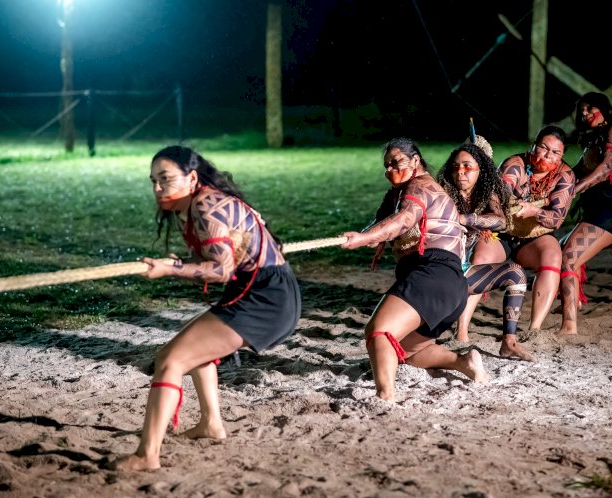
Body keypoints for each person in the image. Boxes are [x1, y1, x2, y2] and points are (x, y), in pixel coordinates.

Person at [111, 145, 301, 471]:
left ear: (192, 178)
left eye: (166, 179)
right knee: (195, 349)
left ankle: (147, 455)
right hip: (265, 290)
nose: (158, 188)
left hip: (264, 297)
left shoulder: (205, 208)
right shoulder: (205, 201)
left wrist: (171, 269)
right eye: (153, 180)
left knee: (170, 360)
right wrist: (180, 263)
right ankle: (211, 424)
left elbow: (221, 270)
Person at [340, 138, 531, 401]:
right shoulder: (399, 193)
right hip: (451, 288)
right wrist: (364, 236)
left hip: (433, 274)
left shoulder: (420, 186)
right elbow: (383, 227)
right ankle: (464, 362)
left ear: (416, 161)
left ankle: (385, 397)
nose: (389, 169)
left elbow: (405, 219)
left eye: (396, 162)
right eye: (386, 165)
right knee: (408, 352)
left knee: (379, 331)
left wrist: (361, 239)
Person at [558, 92, 612, 335]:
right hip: (601, 207)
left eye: (591, 109)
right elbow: (574, 172)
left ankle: (569, 325)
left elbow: (606, 169)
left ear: (605, 108)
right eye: (582, 111)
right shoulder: (595, 140)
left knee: (569, 256)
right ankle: (575, 304)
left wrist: (574, 191)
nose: (586, 114)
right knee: (560, 249)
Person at [497, 125, 576, 334]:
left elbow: (556, 220)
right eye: (543, 147)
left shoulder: (564, 175)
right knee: (480, 257)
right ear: (533, 146)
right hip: (502, 234)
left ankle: (534, 329)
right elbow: (500, 197)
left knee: (553, 255)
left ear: (562, 156)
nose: (548, 155)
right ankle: (462, 332)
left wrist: (534, 211)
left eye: (555, 152)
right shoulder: (516, 164)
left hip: (534, 237)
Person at [436, 136, 510, 342]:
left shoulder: (489, 191)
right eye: (456, 166)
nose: (460, 172)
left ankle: (462, 331)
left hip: (489, 238)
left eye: (467, 167)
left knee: (479, 261)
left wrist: (465, 219)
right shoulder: (443, 188)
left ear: (480, 170)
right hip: (457, 241)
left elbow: (500, 222)